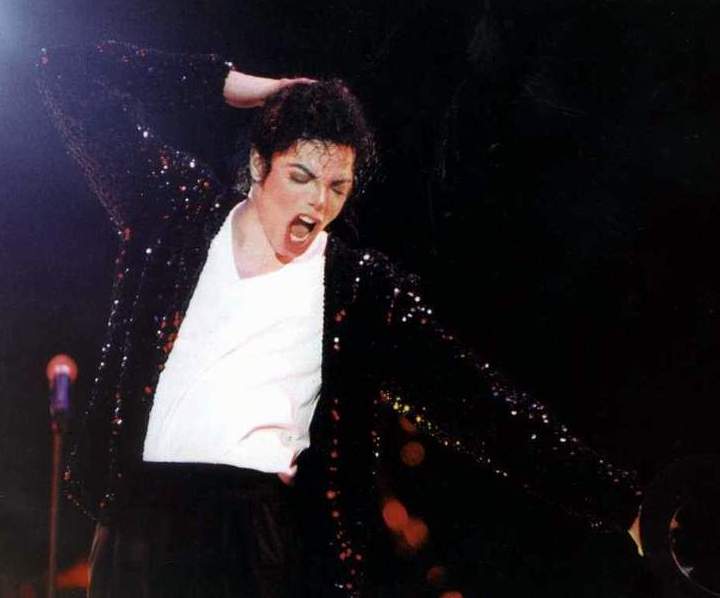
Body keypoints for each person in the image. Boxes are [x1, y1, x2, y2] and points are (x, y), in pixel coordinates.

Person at [38, 40, 642, 597]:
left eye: (337, 186)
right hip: (137, 528)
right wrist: (241, 85)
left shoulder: (359, 290)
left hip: (253, 537)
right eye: (301, 177)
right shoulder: (178, 214)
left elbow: (480, 404)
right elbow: (65, 68)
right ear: (259, 164)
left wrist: (624, 507)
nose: (317, 201)